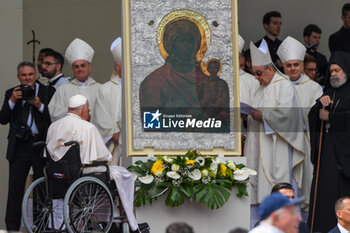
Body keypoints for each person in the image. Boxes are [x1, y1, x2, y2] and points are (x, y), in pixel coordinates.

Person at [46, 94, 139, 232]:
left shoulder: (53, 126)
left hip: (58, 173)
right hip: (82, 173)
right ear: (83, 110)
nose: (88, 113)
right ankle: (128, 222)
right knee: (125, 174)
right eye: (88, 110)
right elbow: (102, 156)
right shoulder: (87, 127)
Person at [244, 39, 308, 212]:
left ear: (270, 69)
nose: (256, 78)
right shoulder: (261, 87)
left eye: (258, 73)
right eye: (254, 73)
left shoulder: (285, 86)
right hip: (258, 146)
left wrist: (264, 116)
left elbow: (289, 118)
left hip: (276, 148)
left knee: (275, 190)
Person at [139, 18, 230, 132]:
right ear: (172, 44)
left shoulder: (207, 78)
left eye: (190, 41)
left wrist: (215, 118)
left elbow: (223, 113)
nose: (188, 46)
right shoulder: (154, 80)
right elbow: (150, 123)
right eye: (182, 40)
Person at [0, 61, 55, 231]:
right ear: (19, 77)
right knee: (15, 190)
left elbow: (53, 117)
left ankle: (41, 226)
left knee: (41, 189)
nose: (27, 78)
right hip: (19, 147)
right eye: (24, 75)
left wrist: (39, 105)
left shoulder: (47, 91)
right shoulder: (12, 92)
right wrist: (12, 101)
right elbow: (2, 119)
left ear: (35, 75)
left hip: (40, 145)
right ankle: (12, 228)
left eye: (30, 74)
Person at [308, 51, 350, 233]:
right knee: (324, 195)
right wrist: (319, 104)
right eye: (331, 71)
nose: (333, 74)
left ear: (346, 71)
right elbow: (314, 115)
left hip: (344, 158)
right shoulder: (329, 91)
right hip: (327, 154)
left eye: (337, 70)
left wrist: (331, 117)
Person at [48, 38, 101, 122]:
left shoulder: (100, 89)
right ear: (72, 69)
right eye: (76, 67)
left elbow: (106, 114)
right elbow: (54, 112)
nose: (79, 69)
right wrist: (76, 113)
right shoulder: (63, 90)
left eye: (83, 65)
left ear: (89, 67)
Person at [92, 37, 123, 165]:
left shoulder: (140, 86)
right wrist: (114, 133)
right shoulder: (105, 88)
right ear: (117, 66)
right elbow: (100, 116)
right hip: (114, 143)